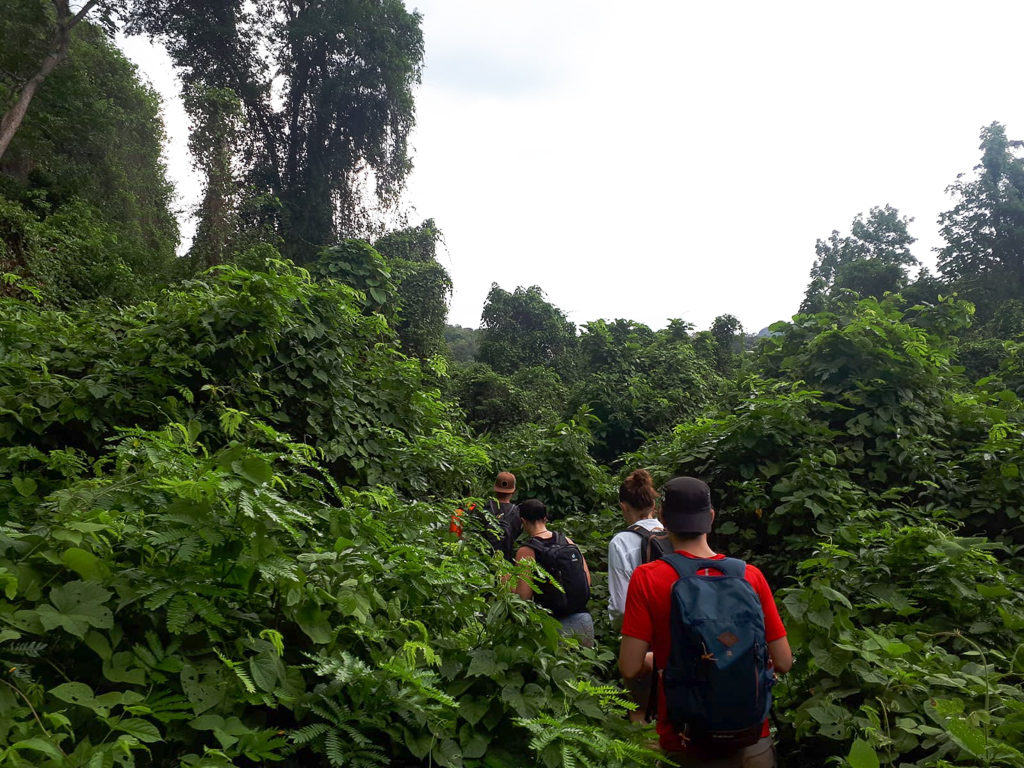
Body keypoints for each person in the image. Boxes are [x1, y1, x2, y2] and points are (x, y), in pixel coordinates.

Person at [618, 477, 793, 767]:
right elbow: (784, 661)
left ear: (662, 518)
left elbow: (629, 666)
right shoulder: (750, 576)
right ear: (711, 517)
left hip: (686, 739)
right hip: (751, 736)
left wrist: (662, 658)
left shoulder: (648, 578)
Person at [513, 498, 594, 647]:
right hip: (584, 620)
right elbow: (586, 581)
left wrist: (509, 587)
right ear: (545, 518)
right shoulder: (567, 541)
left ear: (523, 521)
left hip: (553, 626)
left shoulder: (526, 551)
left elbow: (523, 597)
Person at [608, 468, 666, 630]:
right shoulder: (672, 533)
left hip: (643, 633)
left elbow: (620, 608)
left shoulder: (621, 542)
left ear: (624, 507)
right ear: (653, 504)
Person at [450, 471, 523, 561]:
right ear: (514, 490)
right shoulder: (518, 513)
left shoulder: (480, 508)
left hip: (480, 561)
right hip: (506, 564)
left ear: (494, 488)